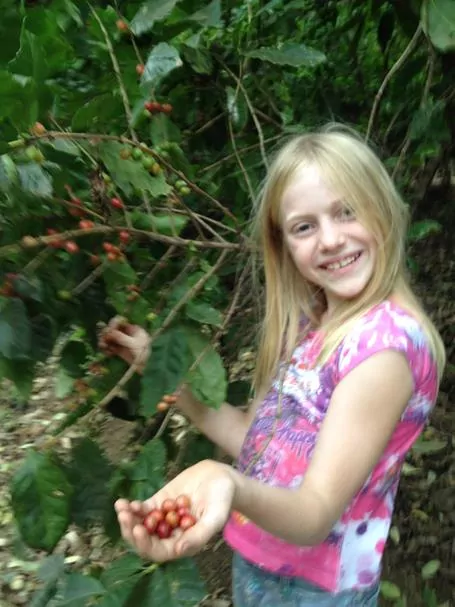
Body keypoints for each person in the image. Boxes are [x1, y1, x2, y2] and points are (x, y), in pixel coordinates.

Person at [100, 123, 446, 606]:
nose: (329, 239)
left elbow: (315, 514)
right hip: (262, 562)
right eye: (304, 226)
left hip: (318, 588)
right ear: (283, 244)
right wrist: (159, 371)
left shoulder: (383, 349)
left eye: (347, 212)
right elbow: (257, 442)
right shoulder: (312, 322)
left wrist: (224, 481)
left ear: (384, 211)